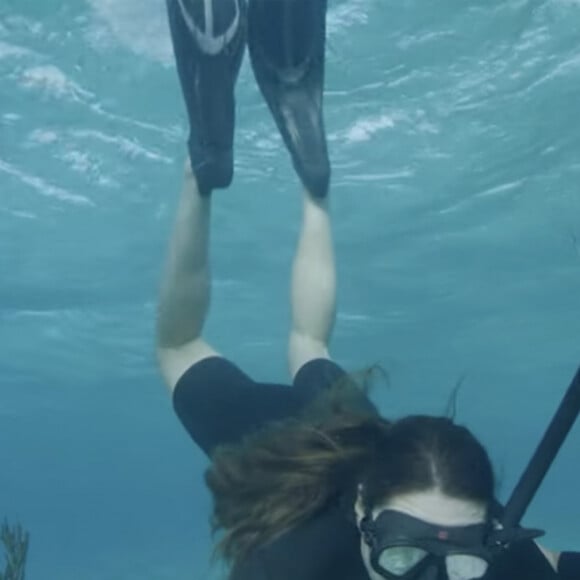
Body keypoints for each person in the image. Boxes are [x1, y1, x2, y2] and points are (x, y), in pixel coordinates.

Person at [156, 1, 580, 578]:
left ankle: (312, 178)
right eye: (401, 558)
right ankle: (202, 165)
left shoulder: (494, 550)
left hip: (373, 439)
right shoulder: (287, 564)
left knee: (311, 344)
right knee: (183, 345)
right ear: (362, 516)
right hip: (302, 452)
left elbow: (552, 562)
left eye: (459, 566)